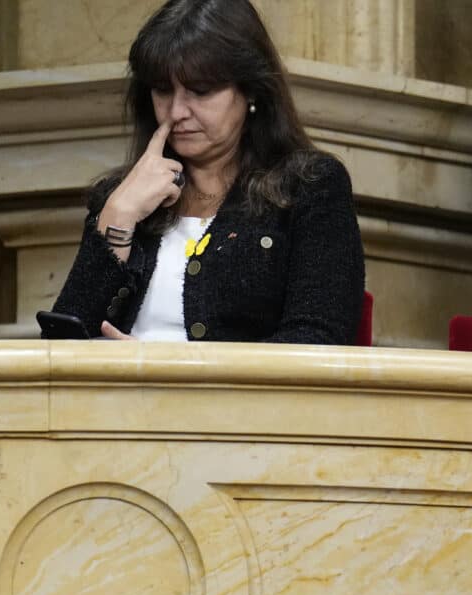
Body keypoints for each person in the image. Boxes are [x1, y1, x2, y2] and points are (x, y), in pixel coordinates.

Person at [48, 0, 365, 344]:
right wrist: (119, 216)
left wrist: (171, 372)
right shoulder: (120, 194)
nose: (177, 111)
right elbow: (61, 343)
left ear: (251, 90)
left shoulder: (311, 186)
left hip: (243, 399)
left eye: (200, 91)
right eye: (163, 90)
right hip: (114, 397)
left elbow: (317, 341)